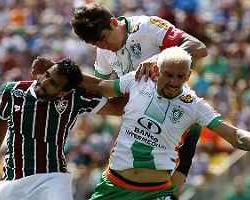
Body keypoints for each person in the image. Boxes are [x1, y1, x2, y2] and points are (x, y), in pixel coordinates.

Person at [39, 2, 208, 196]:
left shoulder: (147, 26)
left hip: (174, 115)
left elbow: (199, 47)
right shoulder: (103, 53)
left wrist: (161, 59)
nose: (103, 46)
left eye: (103, 39)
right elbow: (100, 88)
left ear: (113, 23)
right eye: (96, 44)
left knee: (170, 187)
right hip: (139, 118)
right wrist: (60, 74)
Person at [80, 47, 250, 200]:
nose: (173, 82)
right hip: (114, 186)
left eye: (180, 77)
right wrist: (61, 71)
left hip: (155, 193)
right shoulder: (138, 80)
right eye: (168, 75)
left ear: (188, 75)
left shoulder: (194, 106)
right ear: (156, 70)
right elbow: (100, 86)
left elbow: (234, 135)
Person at [0, 58, 125, 200]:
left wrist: (132, 81)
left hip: (53, 179)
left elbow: (118, 108)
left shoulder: (76, 97)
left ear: (63, 93)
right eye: (47, 75)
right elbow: (0, 118)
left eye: (53, 83)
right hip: (14, 180)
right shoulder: (13, 90)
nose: (44, 81)